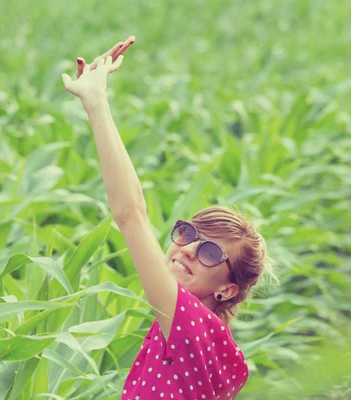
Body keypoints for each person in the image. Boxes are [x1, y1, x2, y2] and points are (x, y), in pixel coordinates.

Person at [62, 37, 273, 399]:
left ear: (227, 290)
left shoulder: (190, 325)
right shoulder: (218, 349)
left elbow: (130, 214)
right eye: (188, 233)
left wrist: (97, 103)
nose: (188, 249)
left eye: (209, 252)